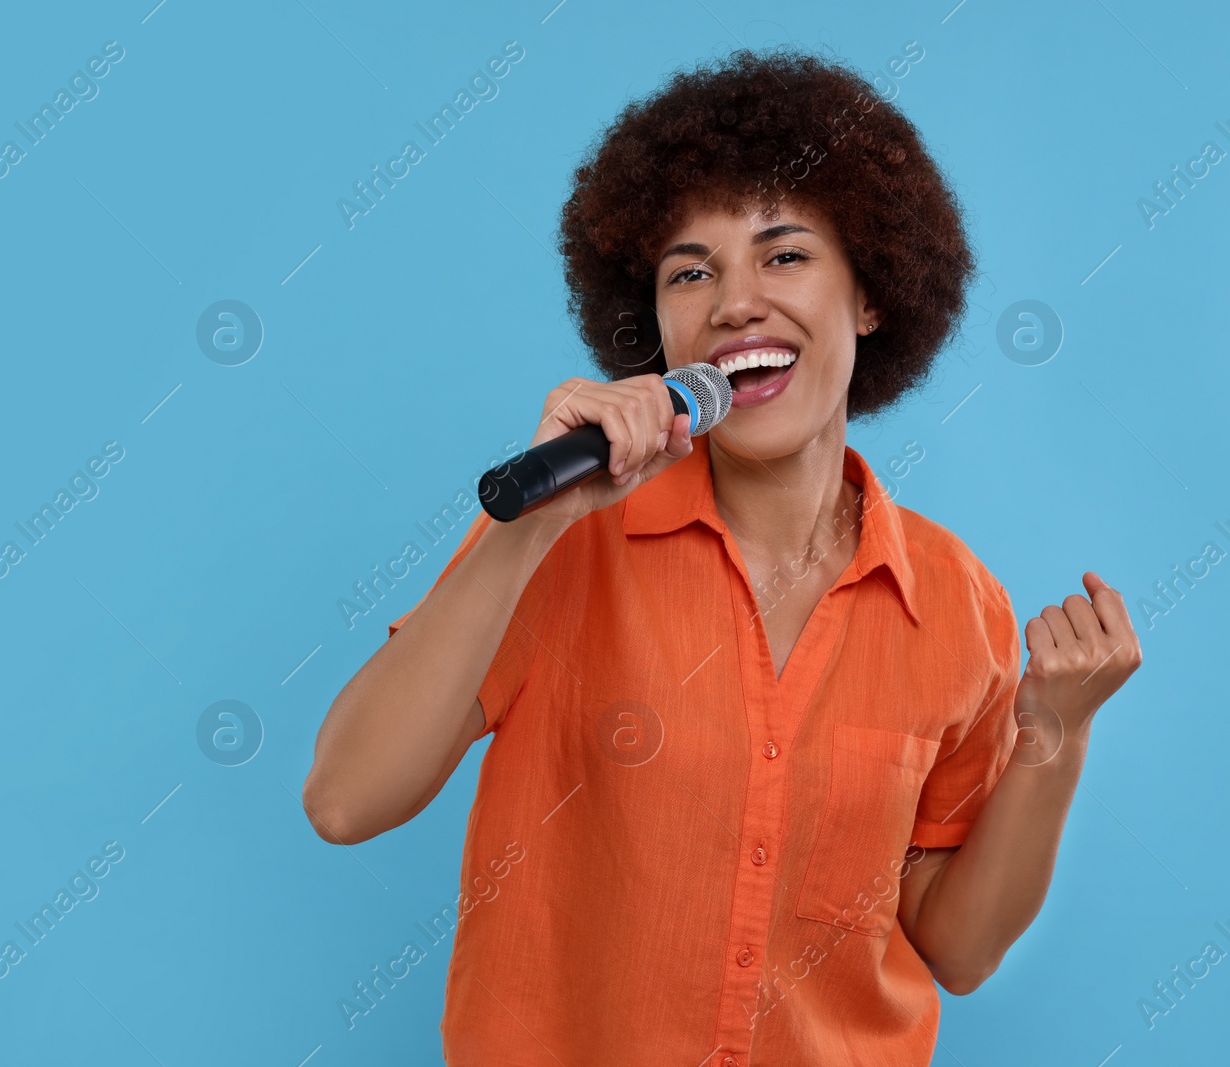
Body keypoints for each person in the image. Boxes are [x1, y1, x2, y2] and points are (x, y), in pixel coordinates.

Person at [302, 47, 1141, 1065]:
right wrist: (527, 528)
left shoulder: (956, 600)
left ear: (869, 297)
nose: (733, 301)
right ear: (654, 327)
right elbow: (347, 799)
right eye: (688, 271)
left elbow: (955, 946)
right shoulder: (562, 533)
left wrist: (1053, 733)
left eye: (783, 255)